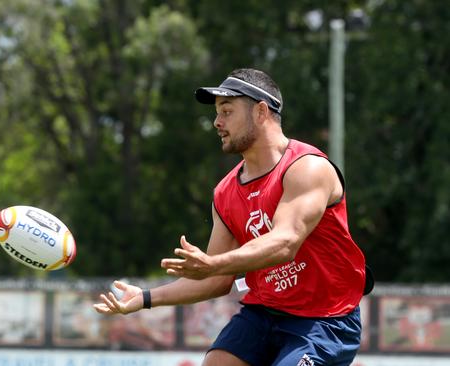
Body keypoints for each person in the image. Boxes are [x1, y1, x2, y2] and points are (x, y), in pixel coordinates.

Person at [93, 68, 371, 366]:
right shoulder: (225, 192)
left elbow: (284, 243)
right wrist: (145, 297)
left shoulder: (307, 168)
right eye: (217, 113)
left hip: (324, 319)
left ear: (261, 112)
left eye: (227, 111)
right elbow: (216, 280)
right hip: (264, 314)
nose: (217, 122)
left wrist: (213, 264)